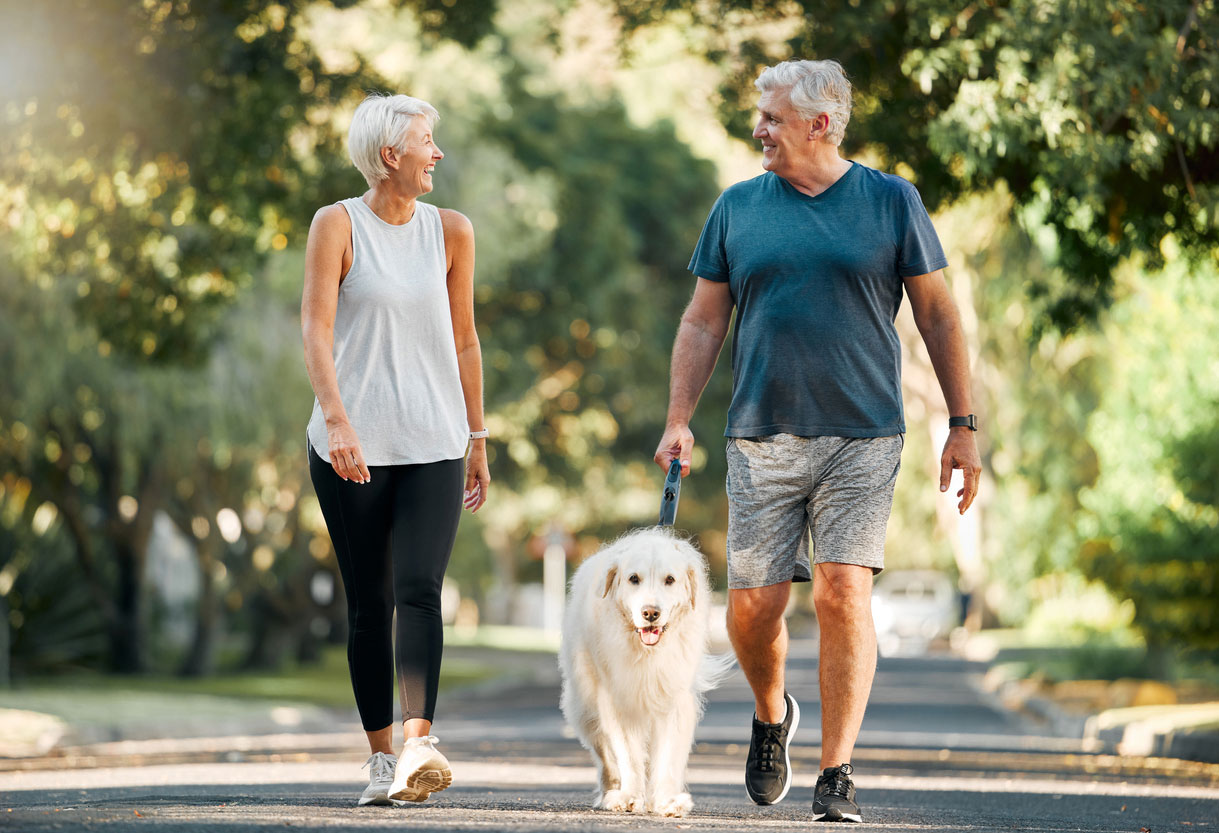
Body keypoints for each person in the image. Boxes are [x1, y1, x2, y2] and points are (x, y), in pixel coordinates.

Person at [654, 59, 981, 823]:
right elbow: (703, 321)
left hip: (863, 431)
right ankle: (772, 714)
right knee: (752, 609)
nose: (758, 128)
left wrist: (961, 425)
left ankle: (836, 771)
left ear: (819, 124)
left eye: (770, 117)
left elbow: (937, 315)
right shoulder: (736, 207)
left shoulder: (890, 201)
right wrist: (678, 416)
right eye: (759, 116)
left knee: (843, 589)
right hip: (759, 431)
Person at [301, 92, 490, 807]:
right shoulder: (336, 224)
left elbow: (466, 338)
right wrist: (338, 420)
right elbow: (317, 330)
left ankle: (417, 744)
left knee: (419, 589)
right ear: (390, 155)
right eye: (425, 142)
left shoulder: (451, 231)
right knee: (368, 599)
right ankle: (381, 756)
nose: (436, 153)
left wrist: (476, 435)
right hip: (351, 445)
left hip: (434, 439)